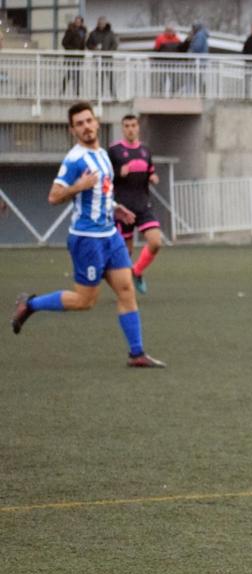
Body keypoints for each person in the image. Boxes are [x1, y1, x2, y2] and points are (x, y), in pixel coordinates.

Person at [10, 102, 166, 369]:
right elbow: (54, 196)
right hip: (87, 239)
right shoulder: (74, 159)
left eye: (88, 121)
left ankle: (136, 353)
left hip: (110, 235)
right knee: (85, 301)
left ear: (96, 123)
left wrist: (116, 208)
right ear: (73, 130)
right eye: (79, 124)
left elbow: (103, 191)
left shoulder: (103, 155)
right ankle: (31, 304)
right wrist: (79, 185)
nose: (85, 127)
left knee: (127, 290)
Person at [108, 115, 162, 294]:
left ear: (138, 127)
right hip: (123, 208)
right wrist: (118, 173)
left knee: (155, 241)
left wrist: (153, 177)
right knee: (126, 252)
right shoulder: (114, 151)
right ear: (122, 129)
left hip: (142, 204)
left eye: (133, 125)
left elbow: (150, 171)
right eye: (126, 126)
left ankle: (137, 271)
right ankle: (122, 286)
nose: (130, 129)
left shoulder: (146, 151)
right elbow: (105, 176)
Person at [86, 17, 118, 97]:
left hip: (108, 59)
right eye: (99, 23)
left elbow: (115, 44)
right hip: (98, 59)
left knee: (110, 77)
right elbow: (88, 44)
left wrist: (108, 52)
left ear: (105, 24)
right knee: (100, 79)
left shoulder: (110, 33)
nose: (101, 25)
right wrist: (94, 48)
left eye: (102, 23)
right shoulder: (93, 33)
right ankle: (99, 96)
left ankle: (113, 96)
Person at [153, 24, 184, 97]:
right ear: (165, 31)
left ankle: (172, 95)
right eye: (168, 30)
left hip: (173, 64)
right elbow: (155, 50)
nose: (169, 32)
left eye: (171, 31)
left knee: (174, 80)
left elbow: (181, 50)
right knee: (162, 80)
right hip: (162, 63)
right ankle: (161, 95)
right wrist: (153, 58)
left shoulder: (177, 39)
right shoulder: (160, 38)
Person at [61, 16, 86, 96]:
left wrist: (82, 53)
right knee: (68, 74)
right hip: (70, 56)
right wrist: (72, 50)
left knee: (77, 75)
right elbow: (64, 43)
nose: (77, 23)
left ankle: (77, 93)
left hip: (79, 57)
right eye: (76, 21)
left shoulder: (83, 31)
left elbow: (83, 44)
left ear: (81, 23)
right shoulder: (70, 30)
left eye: (79, 22)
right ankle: (63, 90)